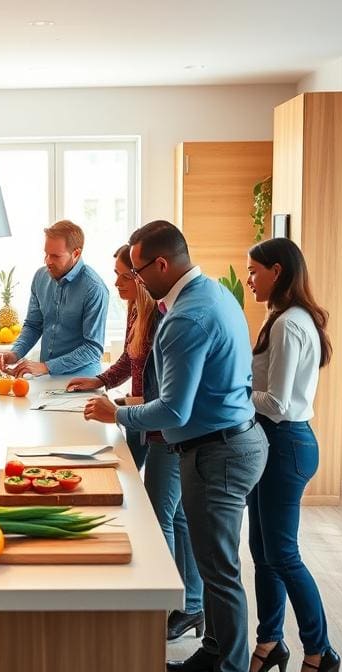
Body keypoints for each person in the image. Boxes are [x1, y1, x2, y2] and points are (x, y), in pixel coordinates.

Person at [83, 220, 268, 672]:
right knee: (213, 562)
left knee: (220, 569)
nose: (136, 280)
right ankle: (215, 652)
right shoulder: (212, 294)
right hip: (229, 441)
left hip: (217, 450)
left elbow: (174, 411)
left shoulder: (185, 318)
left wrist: (116, 412)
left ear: (161, 265)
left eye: (139, 270)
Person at [68, 244, 205, 642]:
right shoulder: (135, 309)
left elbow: (170, 394)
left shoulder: (167, 317)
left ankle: (168, 606)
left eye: (123, 275)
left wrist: (123, 404)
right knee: (160, 510)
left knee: (164, 516)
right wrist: (102, 381)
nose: (116, 282)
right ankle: (185, 602)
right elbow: (131, 361)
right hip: (139, 420)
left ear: (140, 277)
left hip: (161, 427)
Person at [245, 238, 340, 672]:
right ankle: (269, 642)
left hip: (285, 442)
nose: (248, 279)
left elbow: (279, 404)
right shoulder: (281, 318)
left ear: (277, 270)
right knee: (262, 550)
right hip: (275, 442)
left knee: (282, 554)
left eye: (254, 271)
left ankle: (320, 651)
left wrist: (234, 390)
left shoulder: (288, 325)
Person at [0, 220, 109, 378]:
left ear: (76, 254)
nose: (47, 261)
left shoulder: (94, 288)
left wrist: (46, 367)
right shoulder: (40, 277)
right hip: (47, 378)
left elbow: (92, 349)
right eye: (46, 254)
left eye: (55, 256)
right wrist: (15, 353)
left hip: (82, 380)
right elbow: (33, 325)